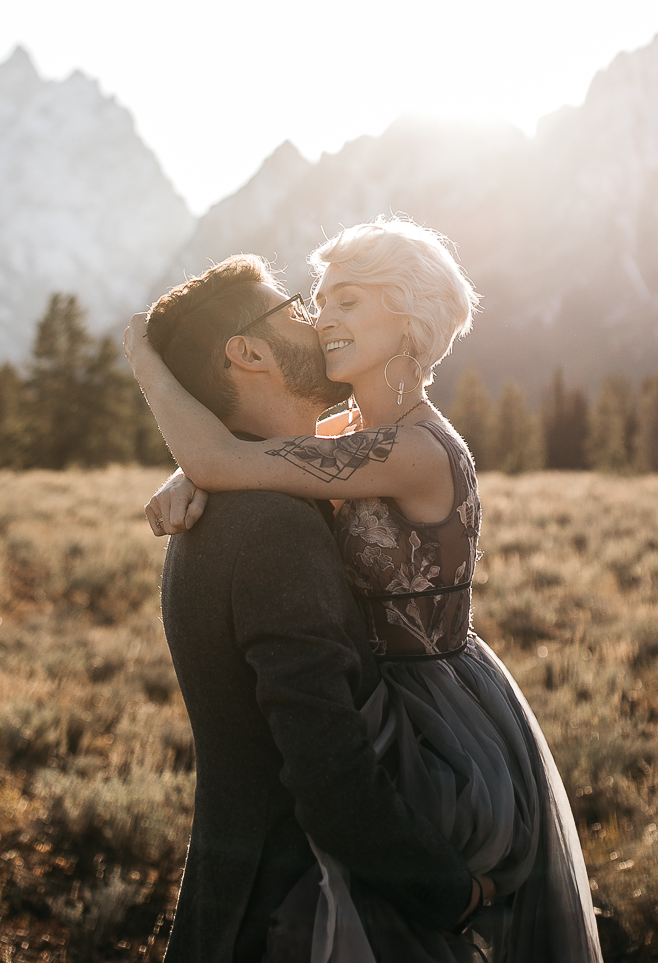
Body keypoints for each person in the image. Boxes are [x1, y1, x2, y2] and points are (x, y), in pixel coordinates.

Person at [128, 217, 603, 963]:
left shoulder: (411, 449)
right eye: (314, 303)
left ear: (406, 316)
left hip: (435, 717)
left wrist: (149, 365)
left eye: (346, 301)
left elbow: (234, 458)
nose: (321, 319)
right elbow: (255, 458)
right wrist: (191, 472)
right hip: (379, 706)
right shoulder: (345, 435)